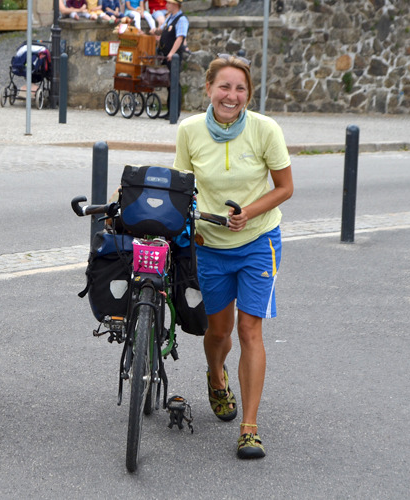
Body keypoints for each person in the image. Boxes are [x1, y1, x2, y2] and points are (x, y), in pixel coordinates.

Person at [173, 54, 294, 459]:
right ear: (208, 89)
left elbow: (284, 187)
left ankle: (249, 427)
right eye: (224, 86)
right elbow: (182, 188)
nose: (232, 95)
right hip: (211, 246)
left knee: (249, 331)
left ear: (248, 94)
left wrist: (249, 213)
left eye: (240, 88)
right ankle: (215, 375)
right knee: (219, 333)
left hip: (259, 240)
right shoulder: (189, 131)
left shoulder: (265, 130)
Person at [156, 0, 188, 116]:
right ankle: (170, 111)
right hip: (166, 54)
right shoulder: (170, 18)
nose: (166, 5)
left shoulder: (181, 19)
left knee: (174, 83)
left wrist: (171, 53)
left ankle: (174, 112)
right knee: (169, 83)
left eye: (168, 3)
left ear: (175, 5)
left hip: (173, 56)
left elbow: (180, 38)